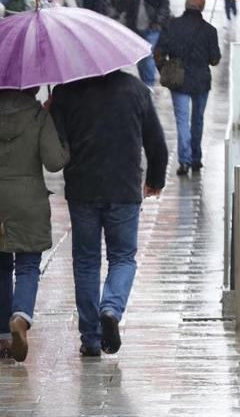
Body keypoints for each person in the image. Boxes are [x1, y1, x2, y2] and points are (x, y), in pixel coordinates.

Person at [50, 70, 168, 357]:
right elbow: (157, 144)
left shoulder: (66, 91)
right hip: (124, 188)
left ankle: (91, 338)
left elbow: (56, 147)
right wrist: (155, 179)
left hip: (82, 189)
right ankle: (111, 308)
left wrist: (52, 111)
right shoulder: (137, 90)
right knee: (123, 257)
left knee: (86, 262)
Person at [0, 88, 68, 362]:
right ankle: (20, 315)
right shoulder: (39, 116)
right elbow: (54, 162)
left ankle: (5, 340)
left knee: (0, 267)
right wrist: (63, 140)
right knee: (28, 265)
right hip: (27, 199)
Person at [154, 0, 221, 176]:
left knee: (182, 120)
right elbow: (215, 60)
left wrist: (164, 70)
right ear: (203, 7)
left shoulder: (171, 26)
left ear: (186, 5)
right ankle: (196, 158)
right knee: (197, 120)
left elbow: (158, 52)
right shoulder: (209, 30)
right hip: (201, 81)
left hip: (179, 81)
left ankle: (184, 161)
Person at [118, 0, 171, 88]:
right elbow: (120, 8)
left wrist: (158, 21)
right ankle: (145, 81)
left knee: (148, 55)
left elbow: (165, 8)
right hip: (136, 30)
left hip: (152, 29)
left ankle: (149, 83)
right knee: (140, 58)